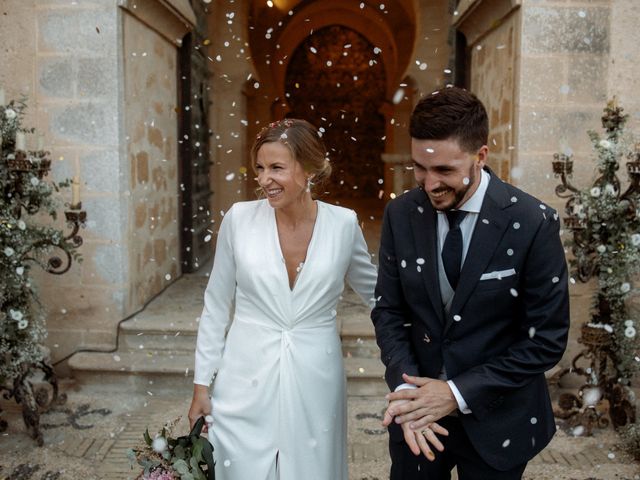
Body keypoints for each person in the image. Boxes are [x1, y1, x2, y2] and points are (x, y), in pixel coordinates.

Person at [371, 87, 570, 479]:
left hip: (499, 423)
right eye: (419, 168)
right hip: (418, 425)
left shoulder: (532, 222)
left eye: (444, 170)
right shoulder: (401, 214)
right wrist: (412, 394)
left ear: (481, 155)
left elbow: (545, 340)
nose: (429, 184)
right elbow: (389, 312)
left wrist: (454, 393)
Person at [187, 118, 380, 480]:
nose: (263, 180)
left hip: (316, 375)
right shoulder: (239, 220)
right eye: (260, 168)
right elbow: (215, 305)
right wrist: (202, 383)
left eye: (276, 168)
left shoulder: (343, 225)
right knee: (238, 466)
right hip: (244, 372)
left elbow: (380, 298)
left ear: (308, 170)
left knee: (313, 469)